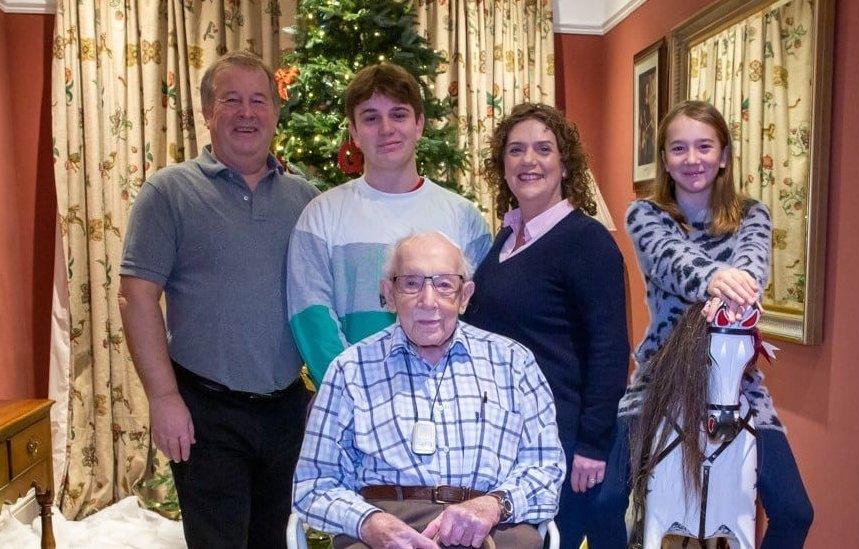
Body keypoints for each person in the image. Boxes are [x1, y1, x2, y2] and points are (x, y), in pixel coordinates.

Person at [118, 51, 319, 548]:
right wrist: (164, 398)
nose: (247, 113)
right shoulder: (168, 193)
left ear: (275, 112)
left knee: (274, 540)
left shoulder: (306, 199)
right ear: (208, 112)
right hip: (206, 410)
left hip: (287, 411)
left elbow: (322, 302)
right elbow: (136, 298)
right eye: (232, 100)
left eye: (259, 101)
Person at [618, 100, 814, 547]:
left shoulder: (753, 214)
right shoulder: (645, 215)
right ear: (665, 159)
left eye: (704, 147)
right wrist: (716, 279)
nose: (692, 160)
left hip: (737, 381)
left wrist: (731, 283)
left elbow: (753, 266)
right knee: (607, 497)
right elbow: (672, 261)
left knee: (795, 510)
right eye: (679, 148)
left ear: (723, 154)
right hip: (661, 376)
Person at [292, 232, 565, 549]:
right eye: (411, 283)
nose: (428, 300)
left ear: (464, 296)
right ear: (389, 294)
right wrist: (369, 522)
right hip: (385, 528)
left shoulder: (514, 364)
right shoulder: (350, 370)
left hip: (489, 528)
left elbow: (546, 470)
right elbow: (313, 484)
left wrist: (493, 506)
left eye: (444, 285)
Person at [463, 103, 630, 548]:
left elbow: (610, 350)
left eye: (543, 148)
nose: (528, 161)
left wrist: (593, 445)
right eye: (516, 150)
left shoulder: (586, 241)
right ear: (502, 165)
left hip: (564, 437)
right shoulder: (506, 238)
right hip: (509, 436)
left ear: (564, 162)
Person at [287, 62, 491, 387]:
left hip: (447, 398)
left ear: (419, 124)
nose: (386, 129)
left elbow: (480, 315)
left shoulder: (463, 217)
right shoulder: (320, 215)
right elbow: (311, 317)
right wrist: (352, 390)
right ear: (353, 131)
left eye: (398, 114)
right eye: (370, 118)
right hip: (355, 401)